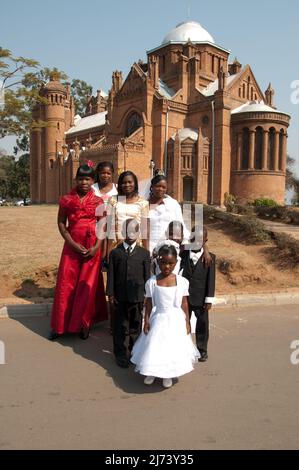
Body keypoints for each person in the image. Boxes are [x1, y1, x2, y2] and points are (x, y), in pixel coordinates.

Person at [49, 164, 108, 340]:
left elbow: (102, 225)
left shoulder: (98, 202)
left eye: (88, 179)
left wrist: (97, 247)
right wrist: (71, 243)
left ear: (92, 180)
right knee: (65, 285)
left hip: (91, 248)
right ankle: (58, 326)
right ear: (76, 179)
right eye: (81, 178)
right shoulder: (66, 199)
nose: (84, 182)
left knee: (86, 287)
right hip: (72, 246)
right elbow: (61, 222)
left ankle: (84, 324)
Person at [131, 245, 200, 388]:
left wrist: (187, 321)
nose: (167, 266)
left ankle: (168, 374)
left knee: (171, 347)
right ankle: (151, 371)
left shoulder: (182, 282)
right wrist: (146, 320)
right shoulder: (152, 282)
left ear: (176, 262)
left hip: (175, 319)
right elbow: (149, 303)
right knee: (154, 345)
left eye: (170, 263)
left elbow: (184, 303)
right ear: (157, 262)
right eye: (163, 263)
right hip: (159, 317)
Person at [107, 219, 151, 368]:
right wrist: (110, 294)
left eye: (134, 230)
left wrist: (147, 296)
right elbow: (111, 275)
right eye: (128, 230)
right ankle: (120, 353)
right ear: (123, 232)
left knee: (135, 325)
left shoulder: (144, 254)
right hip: (120, 297)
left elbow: (147, 277)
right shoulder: (115, 253)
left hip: (137, 297)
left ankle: (134, 351)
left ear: (138, 233)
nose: (131, 233)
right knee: (120, 326)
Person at [180, 226, 216, 362]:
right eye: (194, 238)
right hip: (184, 298)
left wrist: (209, 299)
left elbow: (211, 280)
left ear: (205, 240)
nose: (196, 241)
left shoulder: (210, 258)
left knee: (202, 324)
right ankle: (185, 349)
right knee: (184, 323)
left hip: (201, 298)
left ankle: (202, 350)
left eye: (200, 239)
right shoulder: (182, 255)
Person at [107, 171, 149, 252]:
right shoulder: (113, 201)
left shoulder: (143, 203)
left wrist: (146, 251)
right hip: (116, 248)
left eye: (130, 182)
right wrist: (108, 252)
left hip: (136, 248)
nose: (127, 185)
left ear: (135, 184)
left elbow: (144, 230)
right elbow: (109, 229)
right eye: (124, 183)